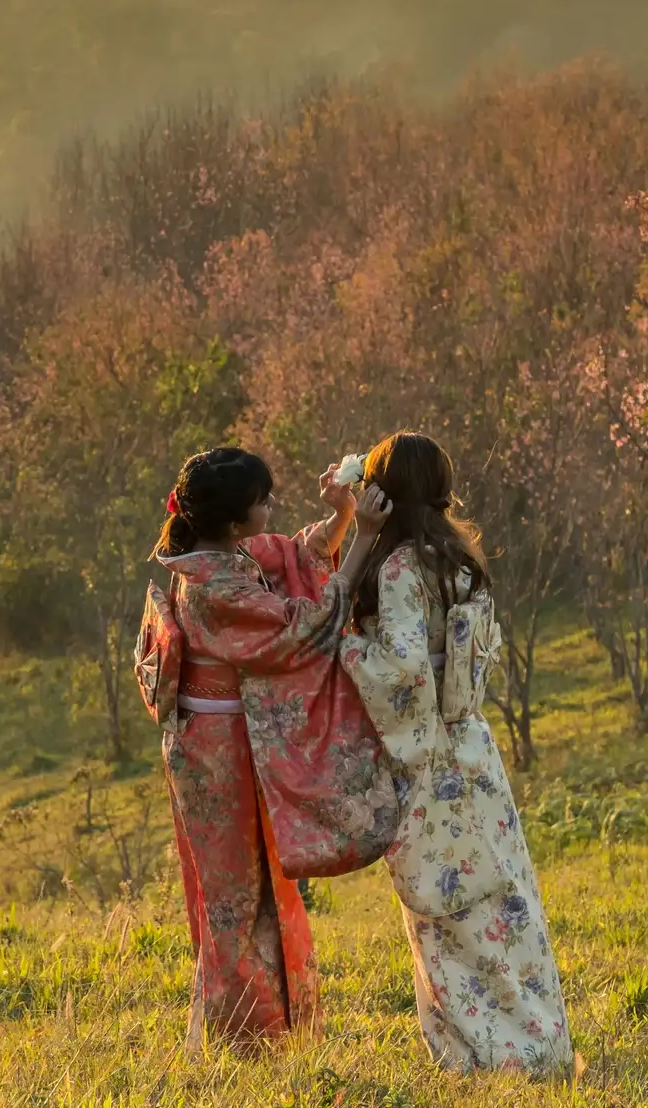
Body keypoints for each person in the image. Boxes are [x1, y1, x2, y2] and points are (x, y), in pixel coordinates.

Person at [338, 432, 572, 1075]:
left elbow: (405, 672)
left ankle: (481, 1052)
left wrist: (346, 647)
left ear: (384, 492)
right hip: (474, 748)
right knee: (504, 899)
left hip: (427, 760)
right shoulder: (462, 562)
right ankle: (541, 1040)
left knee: (444, 909)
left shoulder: (397, 570)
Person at [147, 447, 392, 1050]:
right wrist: (363, 538)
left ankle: (260, 1033)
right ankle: (244, 1043)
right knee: (234, 894)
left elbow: (294, 553)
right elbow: (306, 625)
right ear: (233, 523)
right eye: (262, 501)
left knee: (252, 888)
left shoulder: (217, 558)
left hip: (221, 741)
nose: (271, 509)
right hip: (214, 751)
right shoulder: (216, 583)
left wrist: (339, 518)